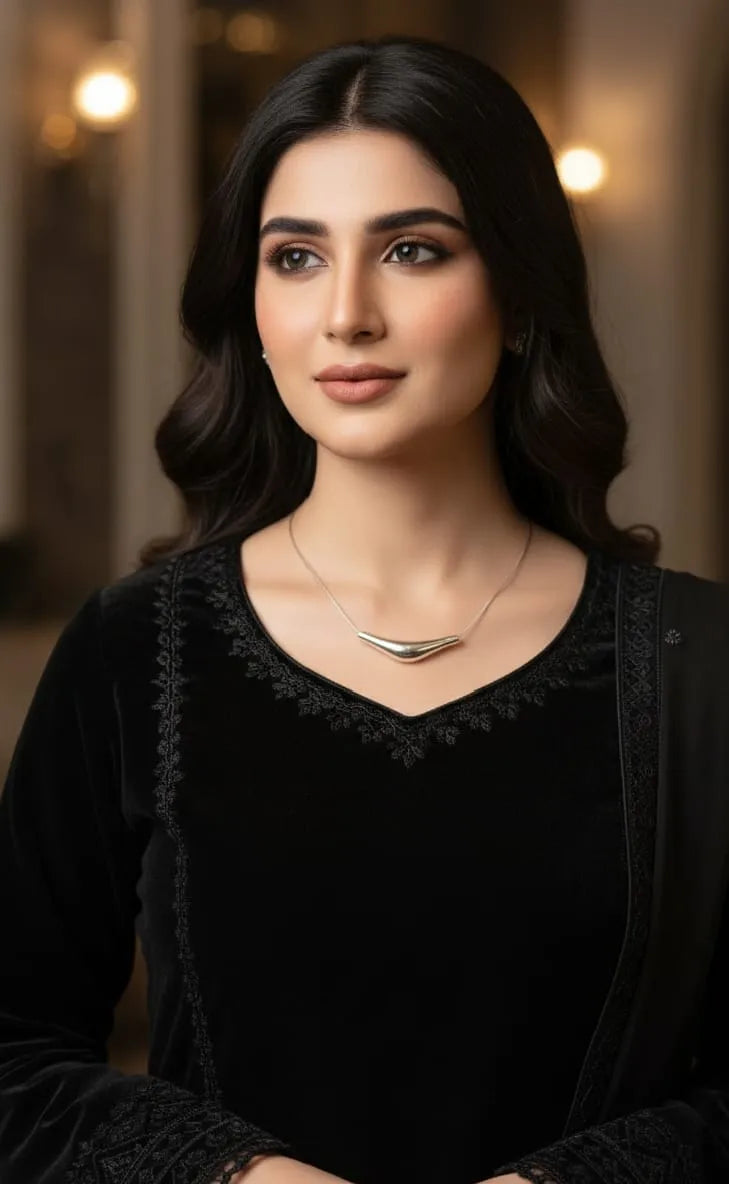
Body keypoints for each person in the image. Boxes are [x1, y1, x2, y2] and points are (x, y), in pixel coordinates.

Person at [0, 32, 728, 1184]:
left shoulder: (699, 664)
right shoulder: (134, 649)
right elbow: (13, 1053)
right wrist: (243, 1177)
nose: (346, 312)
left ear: (524, 291)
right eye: (295, 257)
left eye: (412, 249)